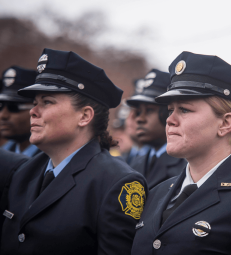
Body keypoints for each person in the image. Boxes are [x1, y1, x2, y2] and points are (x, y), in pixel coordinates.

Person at [131, 51, 231, 255]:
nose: (170, 120)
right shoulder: (157, 193)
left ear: (225, 123)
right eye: (170, 110)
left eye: (184, 110)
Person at [0, 48, 148, 255]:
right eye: (34, 103)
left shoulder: (116, 183)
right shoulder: (23, 173)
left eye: (47, 102)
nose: (33, 111)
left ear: (84, 116)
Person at [127, 69, 187, 189]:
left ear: (168, 113)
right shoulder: (135, 162)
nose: (140, 119)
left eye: (149, 110)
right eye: (139, 112)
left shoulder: (185, 166)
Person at [0, 66, 39, 156]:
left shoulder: (53, 159)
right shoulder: (5, 154)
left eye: (14, 107)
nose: (3, 115)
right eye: (1, 106)